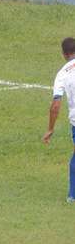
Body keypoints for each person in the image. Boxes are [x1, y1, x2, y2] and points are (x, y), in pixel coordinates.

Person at [43, 37, 75, 202]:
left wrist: (50, 129)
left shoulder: (62, 74)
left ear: (64, 54)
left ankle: (72, 195)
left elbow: (56, 105)